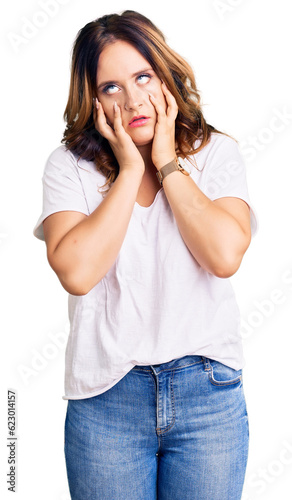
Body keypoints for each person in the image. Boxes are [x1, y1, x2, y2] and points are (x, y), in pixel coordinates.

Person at [33, 10, 257, 500]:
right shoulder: (68, 167)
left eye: (143, 77)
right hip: (106, 400)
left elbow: (223, 255)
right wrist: (131, 170)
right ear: (91, 98)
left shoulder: (214, 153)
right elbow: (77, 271)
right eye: (111, 86)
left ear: (165, 76)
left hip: (208, 396)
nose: (133, 99)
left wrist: (165, 162)